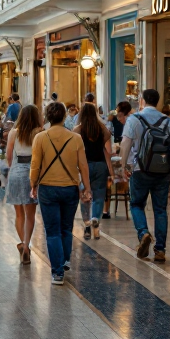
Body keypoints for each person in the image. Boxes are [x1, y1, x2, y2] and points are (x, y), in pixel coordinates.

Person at [30, 101, 91, 285]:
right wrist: (86, 187)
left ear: (47, 117)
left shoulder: (40, 138)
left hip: (48, 188)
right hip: (70, 188)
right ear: (65, 117)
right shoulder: (75, 139)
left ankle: (57, 272)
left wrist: (33, 184)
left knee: (52, 231)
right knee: (66, 228)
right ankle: (64, 260)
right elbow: (83, 166)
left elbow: (35, 165)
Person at [119, 89, 170, 262]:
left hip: (140, 170)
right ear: (158, 102)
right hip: (163, 172)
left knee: (137, 204)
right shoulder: (169, 122)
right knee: (160, 210)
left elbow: (125, 144)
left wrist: (123, 166)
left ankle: (143, 233)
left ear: (142, 101)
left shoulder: (134, 119)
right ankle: (160, 250)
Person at [6, 104, 43, 264]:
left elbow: (8, 156)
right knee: (30, 214)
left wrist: (12, 170)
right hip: (32, 173)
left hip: (16, 171)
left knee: (19, 214)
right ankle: (27, 244)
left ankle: (23, 245)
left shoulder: (14, 133)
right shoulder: (40, 133)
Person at [74, 102, 113, 241]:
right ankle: (95, 217)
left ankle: (87, 226)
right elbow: (108, 135)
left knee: (85, 196)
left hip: (85, 166)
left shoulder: (78, 130)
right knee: (99, 195)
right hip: (101, 165)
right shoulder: (100, 128)